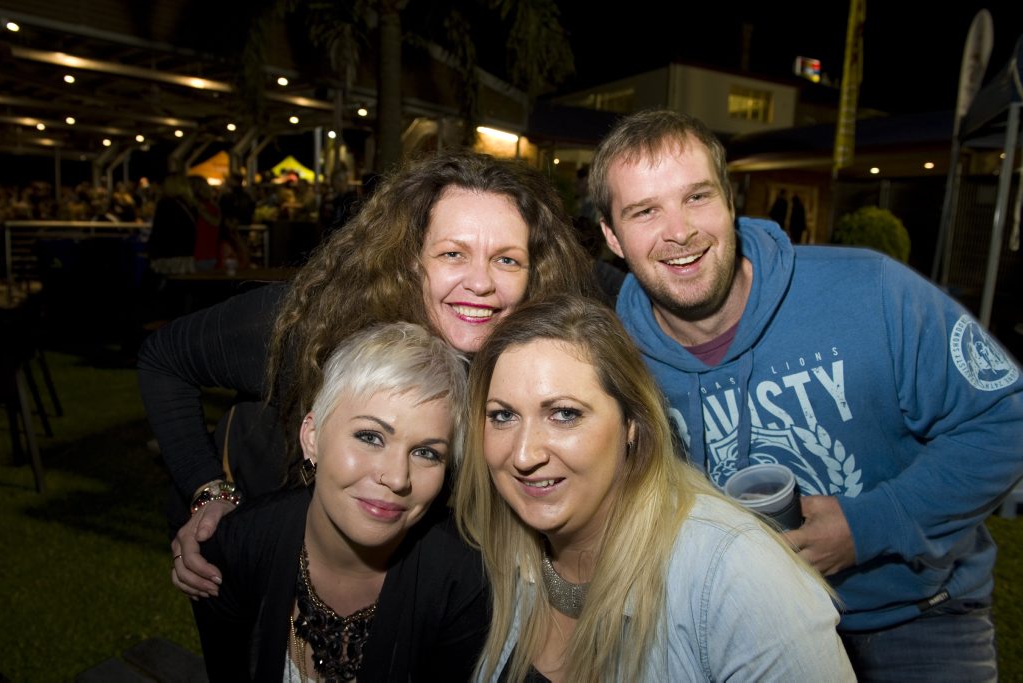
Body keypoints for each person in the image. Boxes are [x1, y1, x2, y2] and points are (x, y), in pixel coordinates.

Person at [590, 109, 1023, 681]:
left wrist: (871, 524)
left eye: (696, 197)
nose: (679, 231)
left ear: (730, 200)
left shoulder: (870, 292)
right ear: (612, 237)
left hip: (916, 618)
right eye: (646, 211)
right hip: (737, 629)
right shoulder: (613, 362)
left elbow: (1005, 420)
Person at [138, 150, 597, 599]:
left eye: (507, 260)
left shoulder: (520, 364)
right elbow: (163, 358)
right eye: (453, 253)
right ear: (410, 260)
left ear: (536, 274)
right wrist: (207, 492)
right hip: (242, 543)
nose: (480, 283)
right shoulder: (314, 326)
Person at [454, 296, 853, 681]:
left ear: (632, 424)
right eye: (503, 415)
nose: (523, 455)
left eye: (564, 414)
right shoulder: (505, 554)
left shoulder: (736, 574)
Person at [191, 321, 488, 681]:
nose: (396, 477)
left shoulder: (464, 582)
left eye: (426, 452)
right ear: (312, 437)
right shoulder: (237, 548)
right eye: (370, 436)